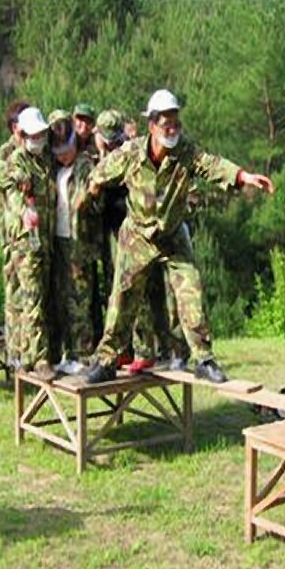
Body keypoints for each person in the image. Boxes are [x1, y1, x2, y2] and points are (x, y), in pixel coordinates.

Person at [81, 89, 275, 384]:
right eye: (166, 124)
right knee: (123, 298)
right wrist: (92, 191)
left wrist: (243, 176)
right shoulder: (131, 153)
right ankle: (107, 360)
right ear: (152, 126)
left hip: (172, 234)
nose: (172, 129)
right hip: (137, 235)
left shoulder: (185, 152)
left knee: (191, 290)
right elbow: (99, 174)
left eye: (176, 123)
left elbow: (211, 164)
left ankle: (203, 359)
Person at [94, 109, 188, 373]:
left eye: (113, 139)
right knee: (123, 295)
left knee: (158, 293)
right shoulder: (101, 156)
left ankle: (159, 350)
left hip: (144, 233)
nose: (110, 144)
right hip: (118, 233)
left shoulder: (133, 153)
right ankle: (132, 350)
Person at [4, 106, 56, 381]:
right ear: (22, 134)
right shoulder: (17, 161)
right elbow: (16, 196)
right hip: (26, 243)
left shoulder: (45, 159)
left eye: (41, 134)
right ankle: (40, 358)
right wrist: (25, 209)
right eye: (33, 135)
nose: (39, 139)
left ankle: (26, 355)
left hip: (45, 240)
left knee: (40, 298)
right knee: (32, 299)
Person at [47, 110, 96, 374]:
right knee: (62, 299)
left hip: (80, 241)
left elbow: (90, 199)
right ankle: (68, 352)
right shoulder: (56, 168)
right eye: (58, 152)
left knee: (80, 300)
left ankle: (83, 354)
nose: (63, 156)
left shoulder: (85, 165)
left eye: (66, 151)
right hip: (60, 239)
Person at [0, 100, 30, 364]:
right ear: (15, 126)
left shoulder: (37, 148)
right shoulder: (5, 153)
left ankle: (30, 349)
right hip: (12, 234)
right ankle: (15, 353)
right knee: (14, 295)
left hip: (33, 233)